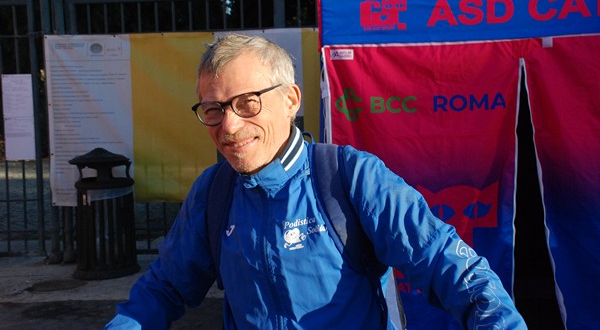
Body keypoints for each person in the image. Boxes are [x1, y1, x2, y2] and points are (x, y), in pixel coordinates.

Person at [105, 34, 526, 329]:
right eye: (214, 109)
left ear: (290, 100)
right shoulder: (213, 193)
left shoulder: (350, 177)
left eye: (247, 103)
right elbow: (161, 290)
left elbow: (449, 267)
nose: (229, 126)